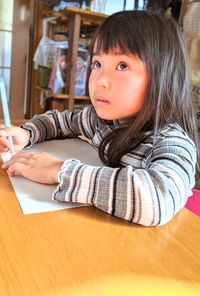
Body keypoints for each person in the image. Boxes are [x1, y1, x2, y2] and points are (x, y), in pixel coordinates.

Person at [0, 11, 199, 226]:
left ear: (164, 77)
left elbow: (158, 200)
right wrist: (27, 133)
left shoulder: (172, 144)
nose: (101, 81)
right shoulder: (101, 122)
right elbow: (60, 121)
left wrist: (58, 170)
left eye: (122, 66)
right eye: (97, 64)